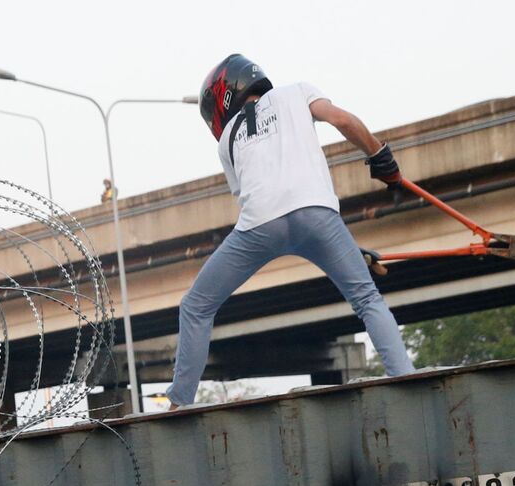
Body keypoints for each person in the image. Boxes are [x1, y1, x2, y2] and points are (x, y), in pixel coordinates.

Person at [169, 54, 415, 408]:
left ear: (222, 98)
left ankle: (179, 404)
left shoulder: (226, 142)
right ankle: (406, 378)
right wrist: (380, 157)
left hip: (260, 226)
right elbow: (342, 121)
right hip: (318, 216)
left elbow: (266, 197)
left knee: (196, 306)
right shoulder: (298, 92)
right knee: (366, 298)